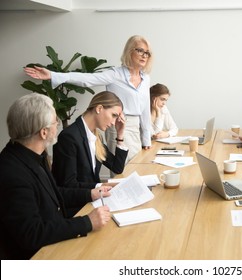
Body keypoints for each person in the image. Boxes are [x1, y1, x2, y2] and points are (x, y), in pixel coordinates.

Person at [0, 93, 111, 260]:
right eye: (54, 122)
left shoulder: (33, 154)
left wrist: (90, 193)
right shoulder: (13, 173)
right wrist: (87, 222)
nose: (58, 125)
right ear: (44, 132)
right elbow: (32, 234)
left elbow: (53, 195)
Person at [24, 35, 153, 164]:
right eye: (140, 50)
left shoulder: (145, 78)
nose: (144, 55)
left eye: (147, 53)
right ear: (130, 51)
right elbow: (87, 79)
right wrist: (53, 75)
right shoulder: (115, 74)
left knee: (139, 166)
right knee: (122, 169)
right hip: (117, 125)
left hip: (136, 127)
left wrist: (146, 138)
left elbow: (146, 108)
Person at [52, 91, 128, 192]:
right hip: (78, 205)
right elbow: (68, 184)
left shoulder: (96, 137)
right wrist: (101, 186)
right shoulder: (69, 137)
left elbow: (117, 167)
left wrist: (120, 135)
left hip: (94, 199)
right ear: (99, 108)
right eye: (113, 115)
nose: (114, 123)